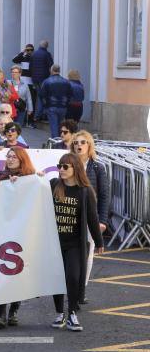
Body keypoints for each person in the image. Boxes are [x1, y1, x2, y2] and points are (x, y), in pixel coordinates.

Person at [50, 153, 104, 332]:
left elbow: (92, 218)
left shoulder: (84, 191)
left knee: (73, 277)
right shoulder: (53, 186)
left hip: (74, 243)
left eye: (66, 166)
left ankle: (72, 312)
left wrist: (99, 240)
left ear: (75, 169)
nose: (62, 170)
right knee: (56, 278)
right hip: (54, 242)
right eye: (60, 166)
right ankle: (60, 313)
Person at [0, 147, 40, 328]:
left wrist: (20, 186)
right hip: (3, 230)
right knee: (2, 270)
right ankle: (1, 313)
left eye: (14, 157)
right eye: (8, 156)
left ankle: (14, 311)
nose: (10, 160)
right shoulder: (0, 176)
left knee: (18, 271)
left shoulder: (30, 178)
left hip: (23, 231)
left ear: (22, 159)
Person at [71, 130, 110, 303]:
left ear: (89, 145)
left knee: (88, 252)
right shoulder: (68, 164)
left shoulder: (97, 167)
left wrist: (102, 220)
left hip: (90, 216)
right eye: (76, 143)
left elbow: (104, 195)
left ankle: (81, 289)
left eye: (82, 142)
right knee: (71, 252)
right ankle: (71, 286)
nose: (79, 145)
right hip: (71, 214)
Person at [40, 65, 73, 138]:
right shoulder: (66, 81)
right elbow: (70, 94)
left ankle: (56, 143)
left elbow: (42, 94)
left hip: (51, 106)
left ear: (51, 70)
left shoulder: (47, 81)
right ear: (59, 71)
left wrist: (45, 105)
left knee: (54, 126)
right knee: (60, 126)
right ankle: (60, 141)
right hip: (63, 107)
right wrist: (66, 104)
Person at [30, 39, 54, 118]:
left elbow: (30, 67)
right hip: (43, 78)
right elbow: (51, 66)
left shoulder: (34, 54)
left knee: (39, 95)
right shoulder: (47, 54)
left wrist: (33, 76)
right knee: (43, 96)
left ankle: (38, 114)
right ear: (46, 46)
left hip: (35, 78)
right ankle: (41, 114)